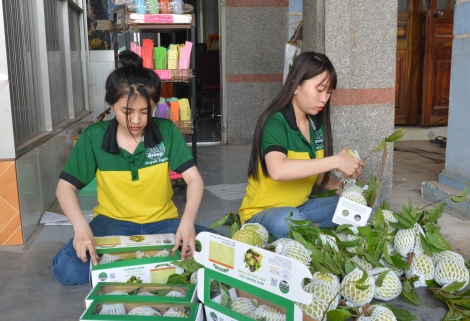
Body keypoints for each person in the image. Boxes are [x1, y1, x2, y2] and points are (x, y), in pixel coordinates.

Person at [52, 55, 205, 286]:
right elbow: (65, 187)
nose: (136, 120)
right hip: (112, 222)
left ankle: (129, 260)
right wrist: (81, 227)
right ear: (111, 104)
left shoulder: (166, 131)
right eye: (126, 111)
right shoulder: (94, 137)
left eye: (145, 112)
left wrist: (187, 221)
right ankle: (145, 259)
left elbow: (194, 179)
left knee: (214, 249)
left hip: (163, 222)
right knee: (68, 270)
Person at [238, 52, 365, 240]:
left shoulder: (317, 125)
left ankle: (310, 233)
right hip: (264, 214)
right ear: (295, 86)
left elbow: (317, 176)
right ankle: (316, 233)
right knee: (286, 221)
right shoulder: (275, 122)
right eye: (320, 90)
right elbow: (278, 170)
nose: (324, 98)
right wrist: (335, 161)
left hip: (300, 209)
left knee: (363, 209)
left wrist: (344, 188)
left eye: (329, 92)